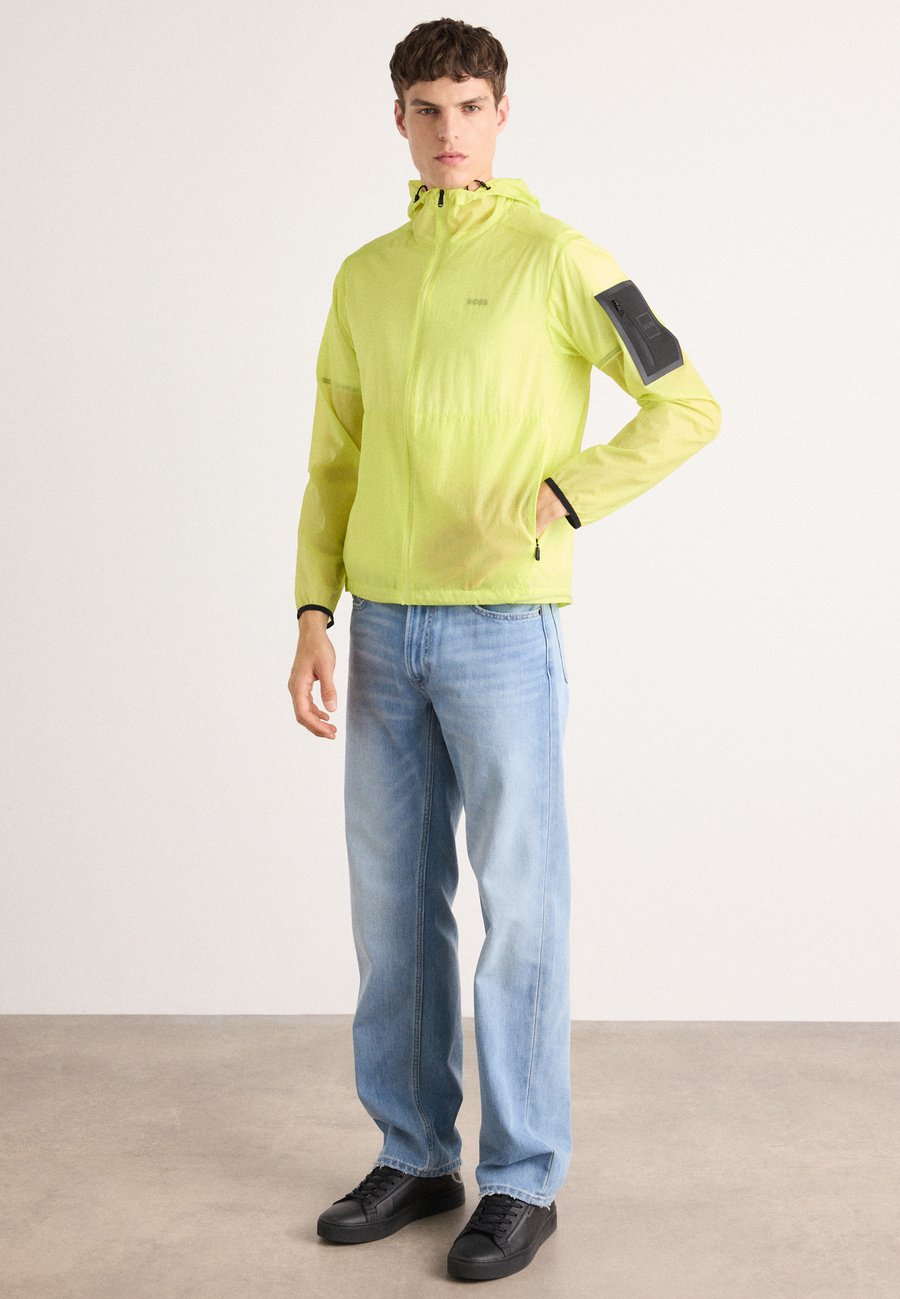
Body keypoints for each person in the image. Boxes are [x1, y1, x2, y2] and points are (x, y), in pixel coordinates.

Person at [288, 17, 721, 1283]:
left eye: (470, 106)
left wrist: (571, 492)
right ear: (398, 119)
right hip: (381, 629)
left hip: (501, 629)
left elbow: (686, 402)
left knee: (521, 912)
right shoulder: (363, 276)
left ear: (502, 114)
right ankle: (415, 1154)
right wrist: (313, 611)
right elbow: (334, 459)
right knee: (393, 909)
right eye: (427, 108)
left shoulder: (560, 258)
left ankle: (524, 1179)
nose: (449, 130)